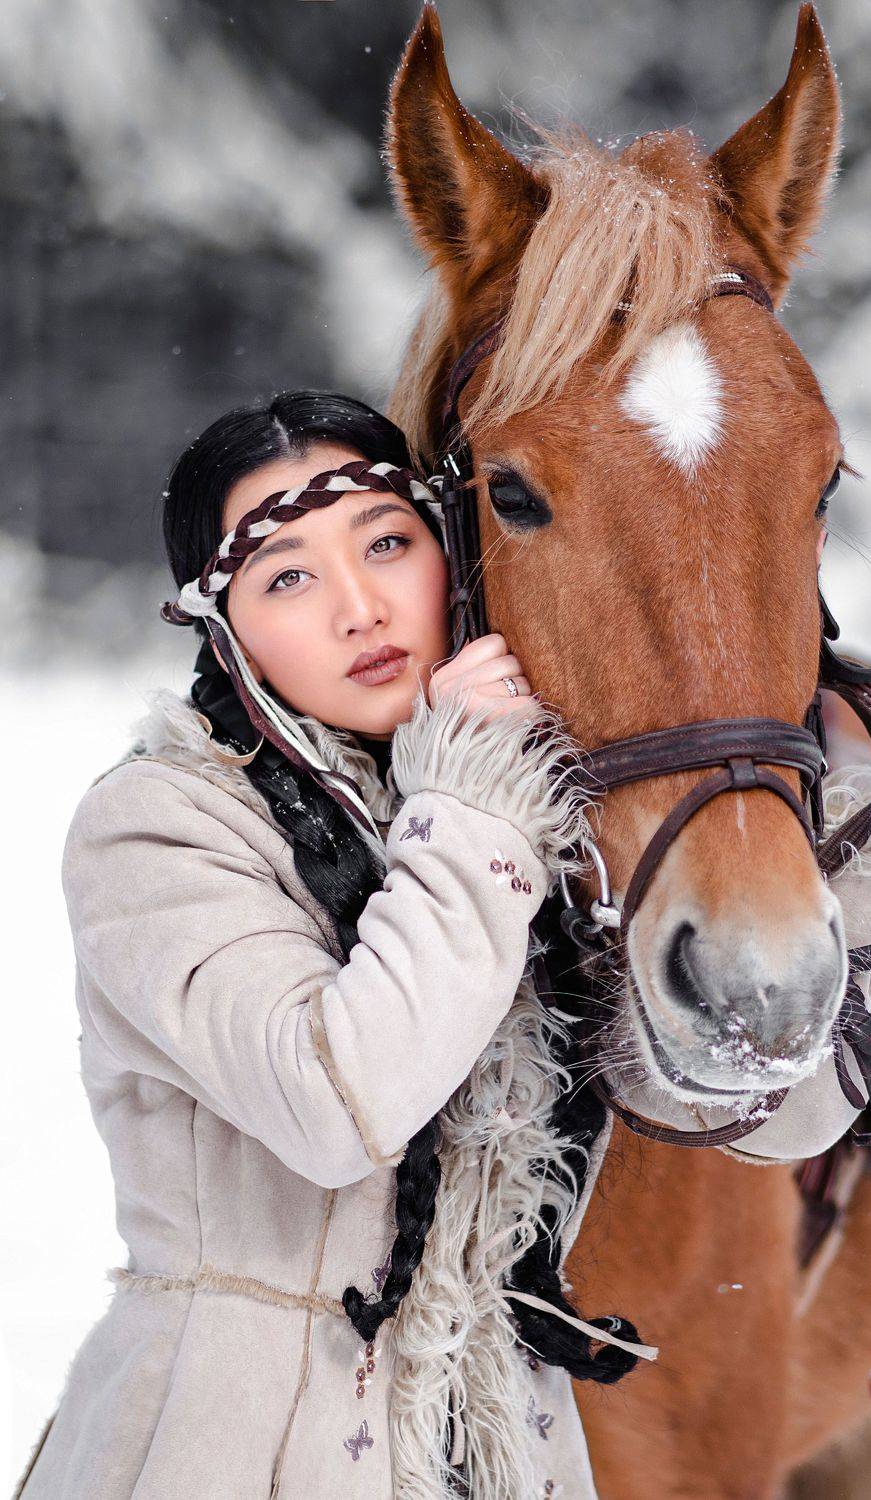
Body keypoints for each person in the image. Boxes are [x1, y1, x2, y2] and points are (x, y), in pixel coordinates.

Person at [14, 391, 651, 1500]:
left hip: (495, 1437)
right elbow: (338, 1106)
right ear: (224, 628)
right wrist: (471, 804)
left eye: (388, 544)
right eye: (288, 578)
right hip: (232, 1442)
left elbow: (737, 1115)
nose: (361, 608)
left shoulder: (529, 809)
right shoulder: (158, 826)